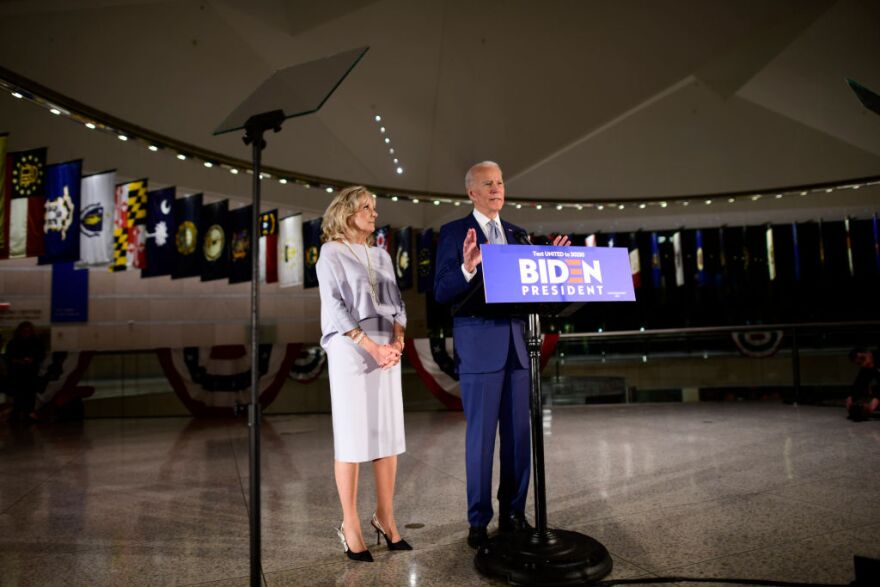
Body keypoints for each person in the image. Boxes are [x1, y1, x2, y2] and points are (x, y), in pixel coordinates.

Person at [434, 161, 570, 548]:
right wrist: (467, 267)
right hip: (480, 347)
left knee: (519, 436)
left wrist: (552, 262)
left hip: (519, 345)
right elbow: (442, 291)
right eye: (487, 184)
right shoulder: (455, 232)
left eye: (500, 182)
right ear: (471, 193)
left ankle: (513, 513)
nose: (496, 189)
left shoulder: (518, 234)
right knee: (481, 438)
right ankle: (479, 521)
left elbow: (528, 282)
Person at [316, 185, 411, 563]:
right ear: (346, 212)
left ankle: (385, 517)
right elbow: (336, 306)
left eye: (375, 207)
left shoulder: (382, 255)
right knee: (354, 436)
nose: (374, 213)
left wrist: (398, 339)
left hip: (386, 345)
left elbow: (397, 303)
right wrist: (371, 346)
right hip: (350, 347)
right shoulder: (330, 253)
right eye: (366, 207)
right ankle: (350, 523)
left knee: (386, 434)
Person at [4, 321, 45, 423]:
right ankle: (17, 414)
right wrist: (18, 361)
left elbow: (40, 356)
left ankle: (27, 414)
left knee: (29, 394)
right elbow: (8, 357)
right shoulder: (14, 342)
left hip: (30, 373)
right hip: (17, 373)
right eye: (25, 331)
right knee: (18, 395)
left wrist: (32, 360)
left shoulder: (36, 342)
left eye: (28, 331)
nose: (27, 333)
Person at [847, 347, 879, 421]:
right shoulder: (867, 366)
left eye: (863, 358)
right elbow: (859, 383)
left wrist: (877, 398)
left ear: (868, 352)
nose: (864, 363)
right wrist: (851, 397)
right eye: (859, 363)